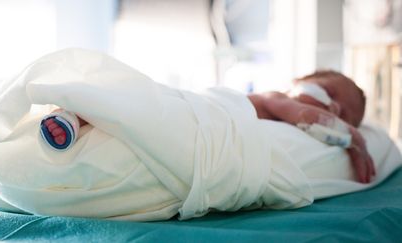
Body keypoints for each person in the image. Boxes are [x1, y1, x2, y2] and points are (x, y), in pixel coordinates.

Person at [42, 70, 375, 184]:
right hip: (203, 107)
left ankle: (76, 119)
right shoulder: (278, 98)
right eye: (328, 92)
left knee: (140, 117)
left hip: (201, 114)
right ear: (299, 82)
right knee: (140, 104)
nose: (331, 107)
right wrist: (353, 137)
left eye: (342, 112)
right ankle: (77, 111)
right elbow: (304, 116)